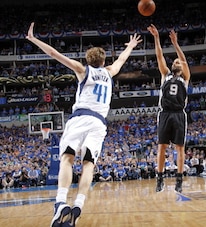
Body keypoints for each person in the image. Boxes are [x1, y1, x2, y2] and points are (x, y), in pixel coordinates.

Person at [26, 22, 142, 227]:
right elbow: (122, 60)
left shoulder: (82, 70)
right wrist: (131, 46)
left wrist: (34, 39)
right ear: (103, 60)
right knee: (89, 164)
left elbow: (54, 54)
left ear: (88, 60)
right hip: (99, 123)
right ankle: (79, 203)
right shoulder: (109, 72)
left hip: (80, 118)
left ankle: (61, 202)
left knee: (67, 159)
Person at [147, 24, 191, 193]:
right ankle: (160, 178)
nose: (177, 62)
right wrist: (157, 38)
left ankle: (179, 180)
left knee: (180, 148)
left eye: (179, 61)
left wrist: (175, 44)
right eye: (175, 61)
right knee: (162, 147)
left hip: (179, 114)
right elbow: (159, 56)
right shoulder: (165, 75)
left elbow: (184, 60)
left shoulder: (185, 77)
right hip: (165, 113)